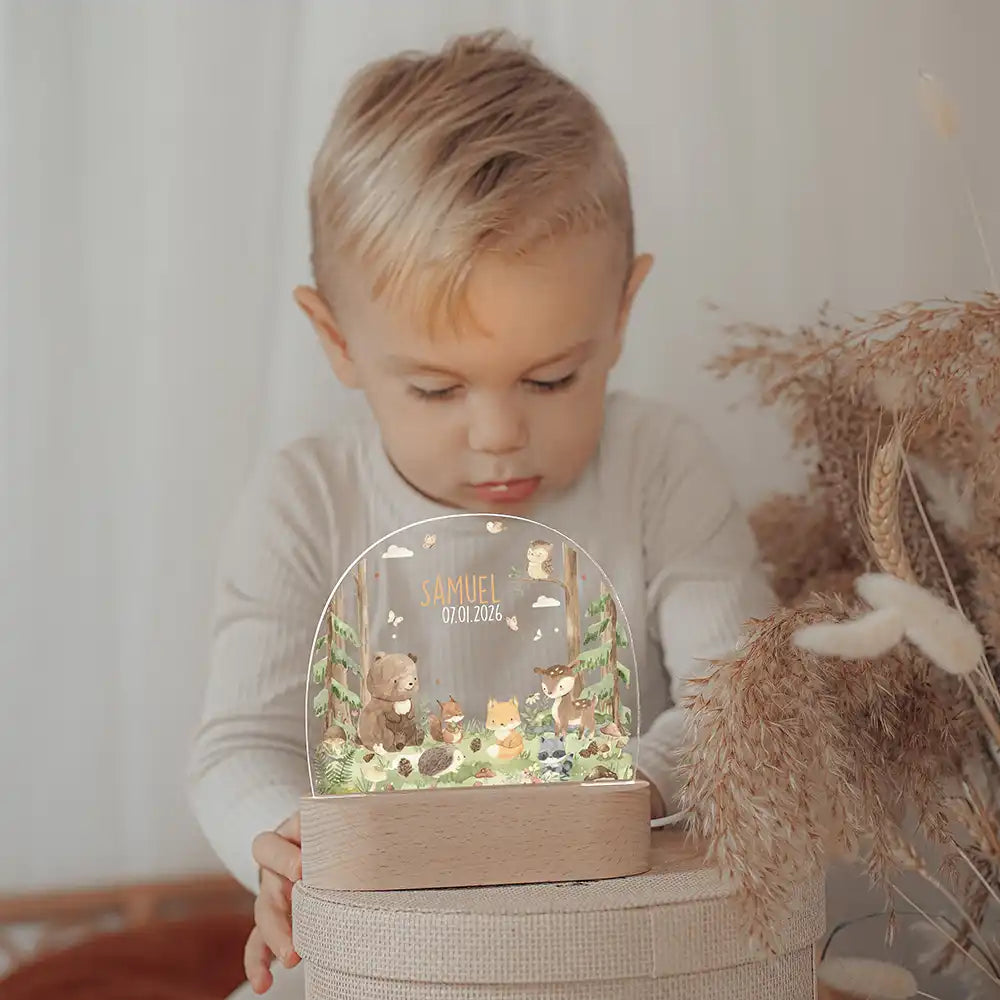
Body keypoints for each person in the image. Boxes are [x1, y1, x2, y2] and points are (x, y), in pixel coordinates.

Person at [188, 29, 775, 997]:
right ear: (336, 341)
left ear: (622, 313)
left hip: (607, 945)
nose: (499, 434)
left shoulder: (660, 463)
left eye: (551, 377)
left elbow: (736, 696)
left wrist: (595, 797)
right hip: (379, 944)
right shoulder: (304, 500)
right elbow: (237, 745)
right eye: (433, 389)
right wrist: (285, 843)